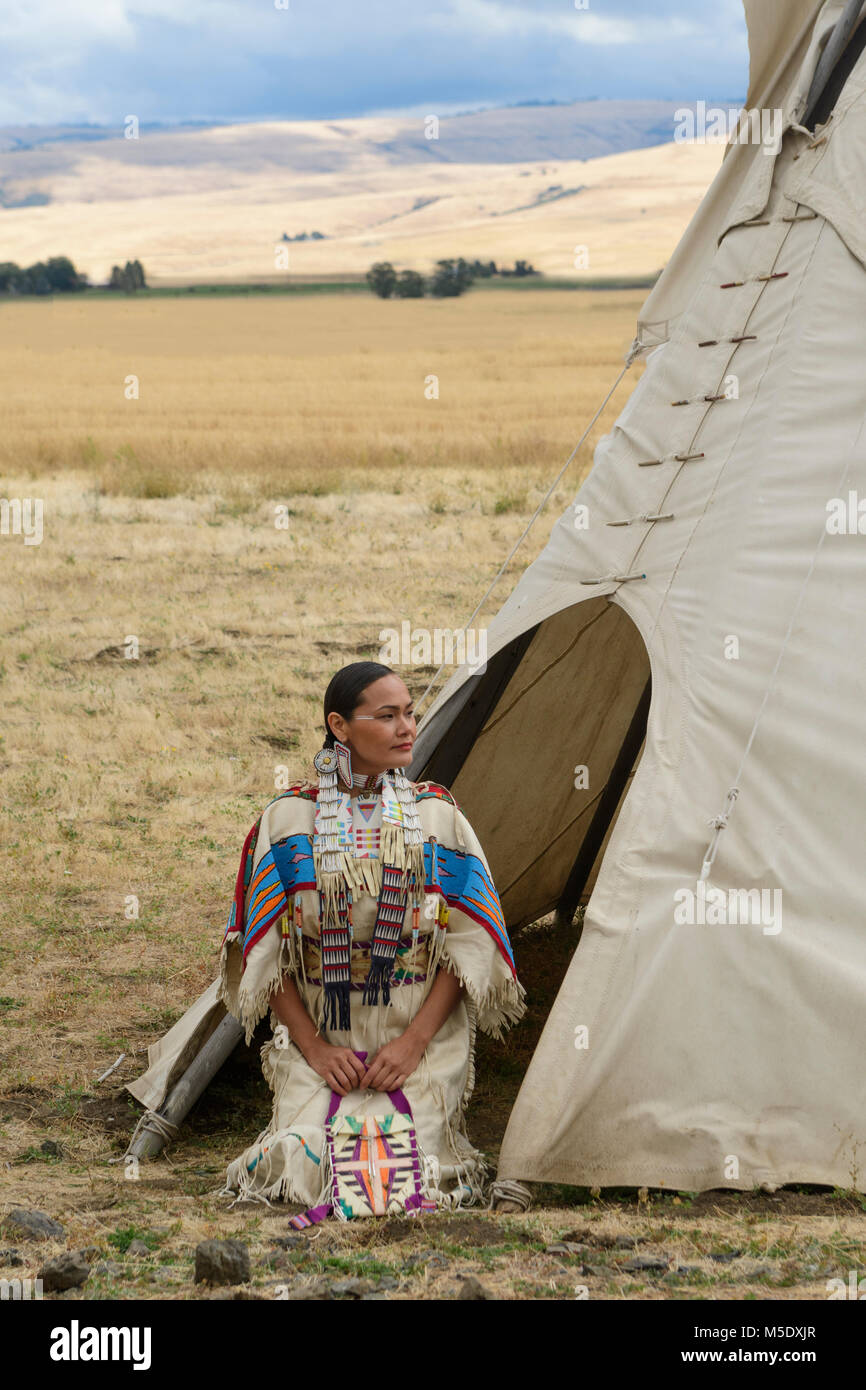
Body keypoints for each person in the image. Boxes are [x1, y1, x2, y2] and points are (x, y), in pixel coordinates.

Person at [218, 661, 526, 1220]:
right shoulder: (288, 822)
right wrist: (313, 1048)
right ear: (340, 726)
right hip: (323, 1036)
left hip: (420, 1040)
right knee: (302, 1161)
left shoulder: (436, 817)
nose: (408, 726)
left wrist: (412, 1045)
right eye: (387, 716)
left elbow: (465, 948)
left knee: (412, 1169)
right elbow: (266, 956)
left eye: (409, 712)